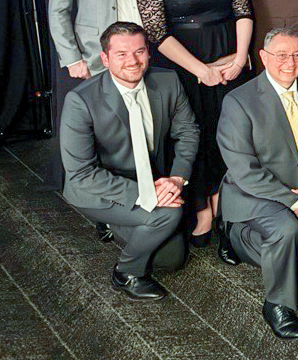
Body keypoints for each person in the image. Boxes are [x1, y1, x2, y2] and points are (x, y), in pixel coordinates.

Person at [136, 0, 253, 256]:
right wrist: (201, 69)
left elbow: (243, 10)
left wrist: (240, 59)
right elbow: (156, 32)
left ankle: (230, 214)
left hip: (232, 61)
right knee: (197, 136)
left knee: (233, 137)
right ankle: (202, 211)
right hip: (186, 70)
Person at [217, 27, 298, 339]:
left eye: (297, 55)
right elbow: (244, 171)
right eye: (281, 55)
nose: (290, 61)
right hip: (253, 194)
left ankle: (239, 240)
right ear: (263, 57)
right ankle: (277, 305)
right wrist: (296, 201)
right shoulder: (239, 102)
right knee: (286, 230)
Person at [60, 22, 199, 299]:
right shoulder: (81, 101)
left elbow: (188, 131)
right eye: (121, 54)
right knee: (169, 214)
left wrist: (176, 178)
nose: (132, 61)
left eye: (139, 51)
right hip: (100, 190)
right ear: (105, 58)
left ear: (148, 53)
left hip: (153, 178)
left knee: (171, 260)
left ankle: (114, 224)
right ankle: (126, 273)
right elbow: (81, 174)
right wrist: (148, 195)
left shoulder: (168, 80)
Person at [47, 0, 153, 196]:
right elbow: (58, 9)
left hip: (147, 52)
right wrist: (72, 57)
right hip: (98, 57)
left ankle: (148, 191)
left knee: (148, 128)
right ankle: (107, 206)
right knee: (108, 134)